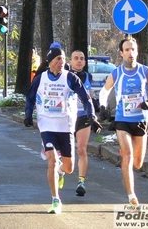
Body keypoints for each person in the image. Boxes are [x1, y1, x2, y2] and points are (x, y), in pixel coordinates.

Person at [24, 43, 102, 214]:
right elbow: (30, 98)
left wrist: (92, 117)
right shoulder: (40, 78)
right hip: (47, 125)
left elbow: (85, 98)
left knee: (68, 168)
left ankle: (61, 170)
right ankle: (55, 200)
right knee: (51, 161)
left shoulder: (70, 78)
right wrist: (28, 114)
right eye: (59, 59)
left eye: (64, 59)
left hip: (65, 126)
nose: (62, 62)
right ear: (51, 61)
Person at [98, 37, 148, 209]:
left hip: (141, 119)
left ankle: (126, 152)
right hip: (122, 119)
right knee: (127, 156)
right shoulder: (116, 73)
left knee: (138, 163)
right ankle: (132, 197)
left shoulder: (145, 71)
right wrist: (103, 107)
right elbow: (104, 91)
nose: (130, 53)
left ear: (137, 51)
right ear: (121, 53)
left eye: (133, 49)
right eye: (126, 50)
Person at [68, 50, 99, 196]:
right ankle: (60, 171)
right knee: (64, 151)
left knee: (81, 149)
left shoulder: (88, 76)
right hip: (67, 117)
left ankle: (81, 181)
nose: (79, 61)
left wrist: (95, 113)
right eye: (76, 58)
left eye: (81, 59)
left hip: (83, 116)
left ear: (85, 62)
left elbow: (90, 95)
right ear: (70, 61)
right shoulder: (65, 76)